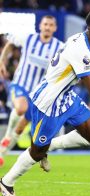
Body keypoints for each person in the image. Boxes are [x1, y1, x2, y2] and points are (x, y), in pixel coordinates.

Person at [0, 10, 90, 196]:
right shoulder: (81, 49)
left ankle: (48, 147)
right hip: (49, 102)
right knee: (36, 152)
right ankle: (7, 183)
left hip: (67, 98)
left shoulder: (83, 40)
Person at [0, 15, 64, 167]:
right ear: (40, 26)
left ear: (55, 28)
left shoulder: (59, 47)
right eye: (45, 24)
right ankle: (7, 135)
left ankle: (3, 152)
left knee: (21, 127)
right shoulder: (27, 38)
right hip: (20, 85)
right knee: (21, 108)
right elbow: (10, 43)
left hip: (37, 95)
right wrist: (1, 61)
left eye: (51, 25)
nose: (47, 27)